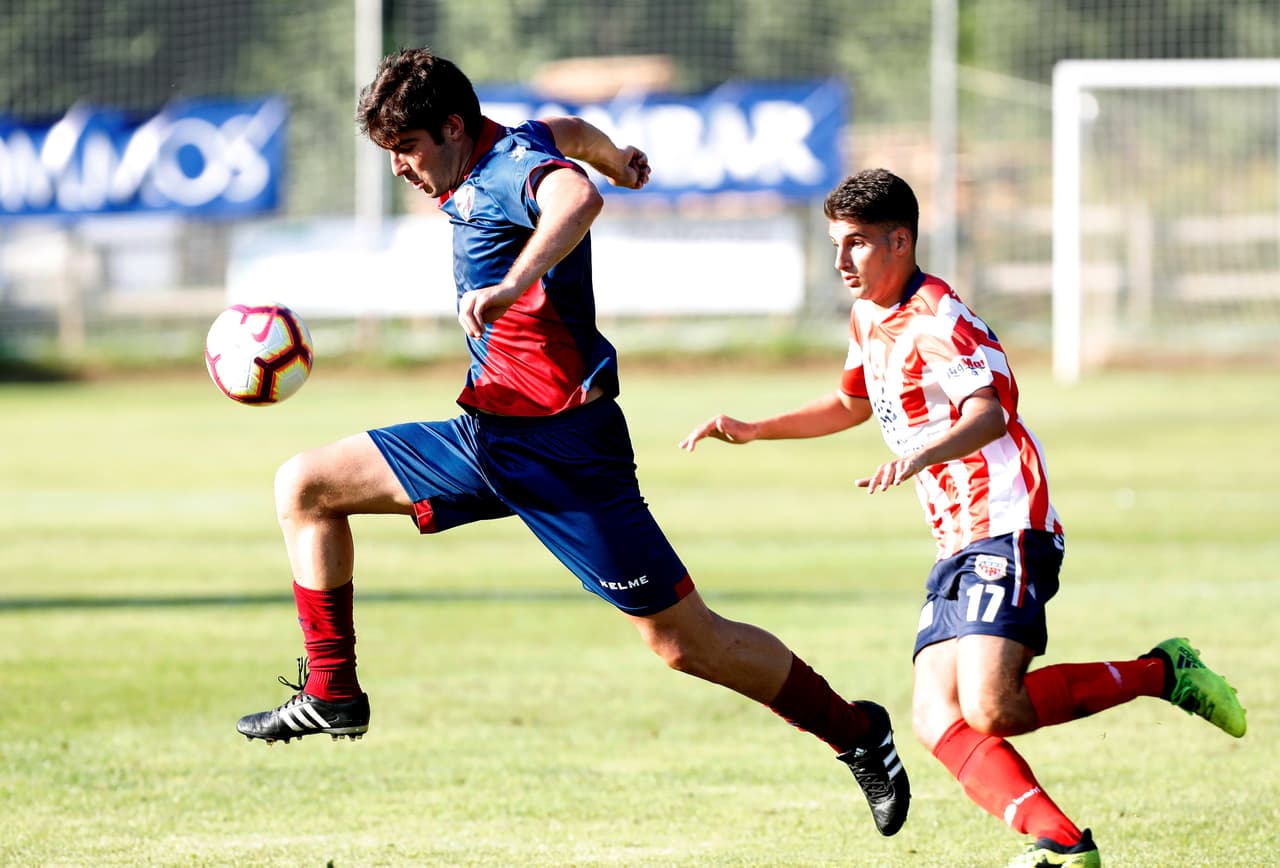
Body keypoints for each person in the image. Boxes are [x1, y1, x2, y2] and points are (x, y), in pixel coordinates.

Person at [234, 48, 910, 837]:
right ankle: (333, 693)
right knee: (305, 486)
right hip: (486, 433)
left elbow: (574, 197)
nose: (400, 170)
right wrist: (621, 157)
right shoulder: (513, 139)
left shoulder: (510, 167)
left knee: (689, 645)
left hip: (566, 452)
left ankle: (860, 736)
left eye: (407, 150)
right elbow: (575, 137)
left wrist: (518, 278)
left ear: (453, 128)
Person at [679, 168, 1247, 867]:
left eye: (856, 243)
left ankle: (1166, 672)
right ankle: (1063, 846)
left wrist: (922, 454)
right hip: (956, 539)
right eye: (835, 244)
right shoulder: (870, 318)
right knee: (934, 717)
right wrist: (757, 427)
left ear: (899, 240)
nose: (841, 261)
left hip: (1007, 523)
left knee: (992, 706)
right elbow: (852, 402)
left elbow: (990, 411)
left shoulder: (938, 319)